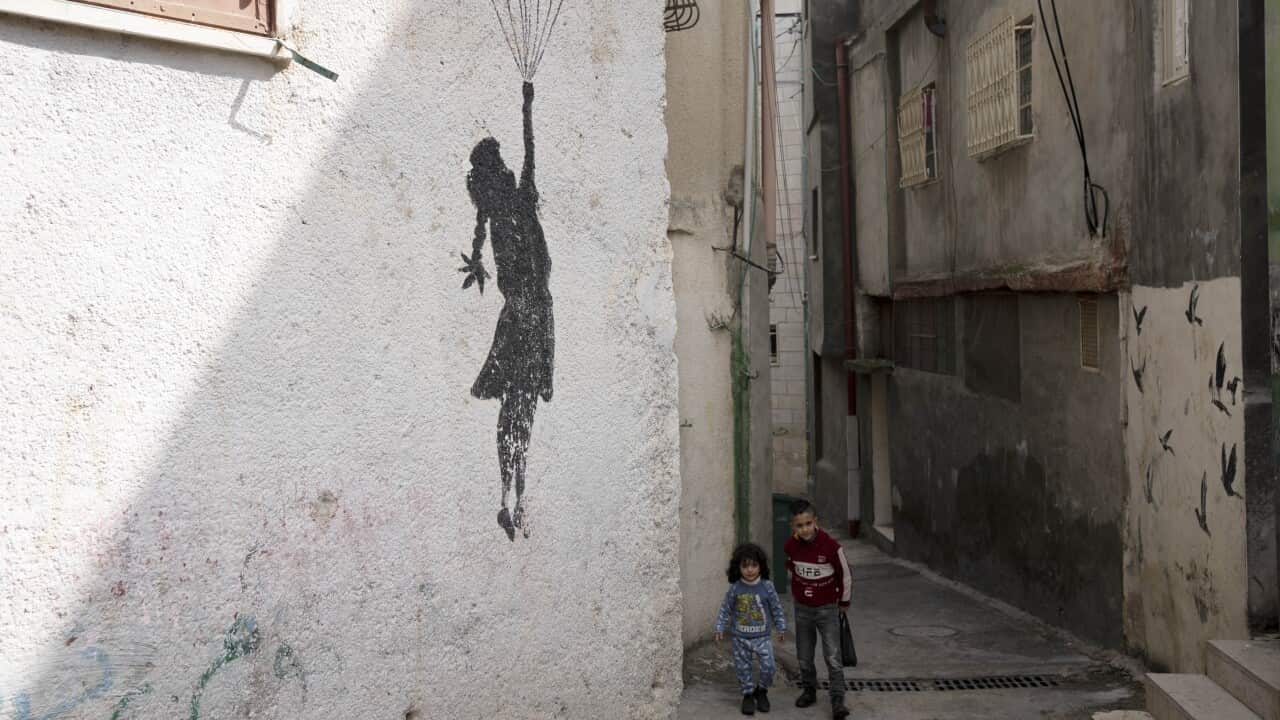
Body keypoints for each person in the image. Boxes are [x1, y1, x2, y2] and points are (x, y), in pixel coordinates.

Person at [458, 81, 555, 541]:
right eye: (503, 166)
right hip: (532, 316)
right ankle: (514, 499)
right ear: (502, 176)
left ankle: (508, 497)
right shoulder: (521, 200)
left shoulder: (494, 215)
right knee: (523, 409)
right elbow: (530, 149)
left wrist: (476, 264)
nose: (511, 169)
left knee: (513, 410)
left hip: (519, 316)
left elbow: (478, 245)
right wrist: (526, 107)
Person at [784, 499, 852, 719]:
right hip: (803, 610)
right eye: (799, 525)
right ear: (793, 527)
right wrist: (799, 593)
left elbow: (846, 575)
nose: (804, 529)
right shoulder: (790, 547)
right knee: (804, 655)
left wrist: (843, 602)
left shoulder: (831, 546)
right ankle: (809, 690)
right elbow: (791, 570)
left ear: (816, 522)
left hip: (827, 609)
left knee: (833, 656)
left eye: (808, 523)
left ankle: (837, 699)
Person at [715, 543, 787, 716]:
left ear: (761, 566)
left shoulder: (767, 586)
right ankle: (747, 694)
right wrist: (720, 627)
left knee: (769, 667)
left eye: (754, 565)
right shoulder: (735, 588)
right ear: (738, 567)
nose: (750, 570)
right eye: (745, 566)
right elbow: (725, 609)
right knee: (743, 668)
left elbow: (776, 608)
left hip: (762, 637)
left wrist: (781, 627)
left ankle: (761, 691)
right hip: (740, 638)